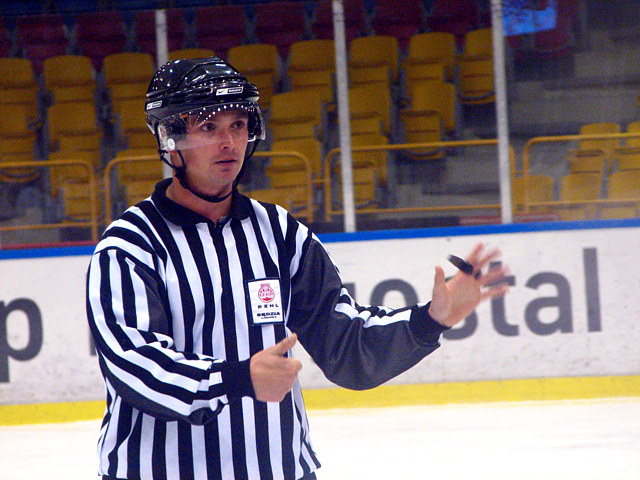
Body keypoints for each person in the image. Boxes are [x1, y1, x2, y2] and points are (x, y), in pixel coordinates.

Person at [86, 56, 509, 480]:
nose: (229, 142)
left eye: (238, 124)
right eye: (209, 127)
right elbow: (134, 366)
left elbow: (346, 346)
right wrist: (236, 378)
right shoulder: (130, 245)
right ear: (169, 136)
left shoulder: (280, 232)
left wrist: (431, 319)